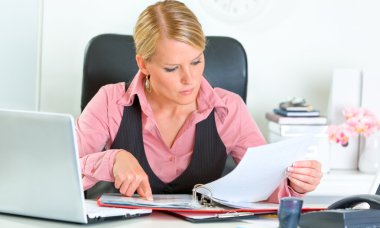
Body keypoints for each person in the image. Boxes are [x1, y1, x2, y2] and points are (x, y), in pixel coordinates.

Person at [76, 0, 322, 202]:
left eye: (196, 62)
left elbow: (265, 188)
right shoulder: (110, 102)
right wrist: (112, 159)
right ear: (143, 64)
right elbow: (59, 172)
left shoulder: (229, 109)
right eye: (172, 68)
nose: (190, 79)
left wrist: (296, 184)